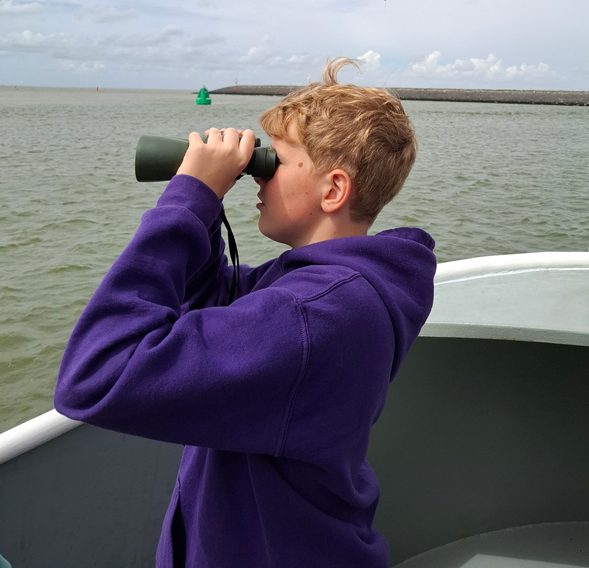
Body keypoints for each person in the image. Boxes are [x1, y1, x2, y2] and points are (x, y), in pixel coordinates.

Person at [53, 57, 437, 568]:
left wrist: (188, 199)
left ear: (333, 189)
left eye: (273, 160)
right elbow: (210, 301)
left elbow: (98, 372)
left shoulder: (313, 314)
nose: (259, 175)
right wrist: (208, 208)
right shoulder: (330, 289)